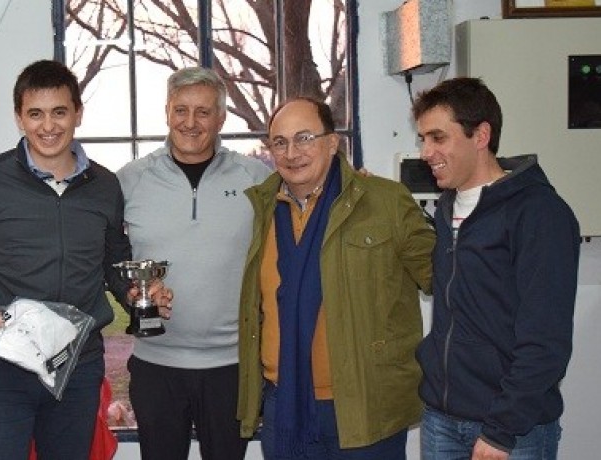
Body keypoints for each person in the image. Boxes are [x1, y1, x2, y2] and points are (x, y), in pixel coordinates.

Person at [0, 59, 170, 460]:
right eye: (35, 114)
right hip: (3, 363)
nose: (48, 126)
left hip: (77, 367)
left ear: (78, 114)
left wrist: (138, 293)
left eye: (59, 112)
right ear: (19, 118)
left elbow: (114, 262)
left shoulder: (105, 185)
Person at [238, 97, 435, 459]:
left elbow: (443, 278)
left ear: (332, 142)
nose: (291, 153)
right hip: (284, 404)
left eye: (304, 138)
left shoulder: (385, 201)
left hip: (365, 405)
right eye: (280, 142)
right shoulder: (262, 208)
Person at [412, 77, 580, 460]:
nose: (425, 152)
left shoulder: (539, 213)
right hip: (441, 418)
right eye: (422, 139)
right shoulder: (446, 208)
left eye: (438, 138)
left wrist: (501, 430)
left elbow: (546, 340)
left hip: (510, 432)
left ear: (481, 135)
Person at [116, 66, 271, 460]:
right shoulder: (130, 180)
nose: (190, 122)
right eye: (181, 110)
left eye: (203, 112)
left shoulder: (257, 178)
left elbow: (304, 216)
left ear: (221, 118)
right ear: (167, 112)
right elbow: (106, 257)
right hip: (155, 366)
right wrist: (130, 294)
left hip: (232, 367)